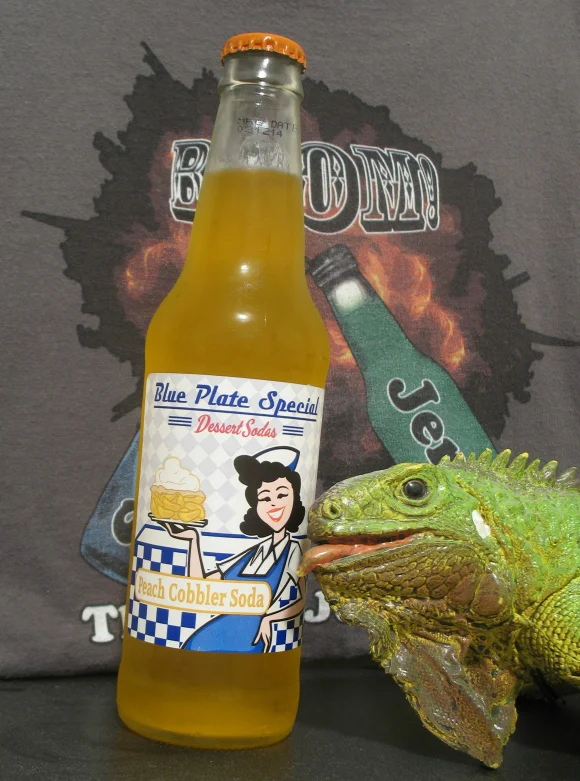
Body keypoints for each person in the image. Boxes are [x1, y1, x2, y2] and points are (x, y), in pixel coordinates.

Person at [167, 446, 306, 652]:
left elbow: (301, 599)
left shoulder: (293, 549)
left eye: (282, 495)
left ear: (295, 499)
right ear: (256, 506)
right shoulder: (253, 552)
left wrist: (270, 618)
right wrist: (192, 540)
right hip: (211, 637)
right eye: (265, 498)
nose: (274, 504)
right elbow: (200, 585)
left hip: (250, 642)